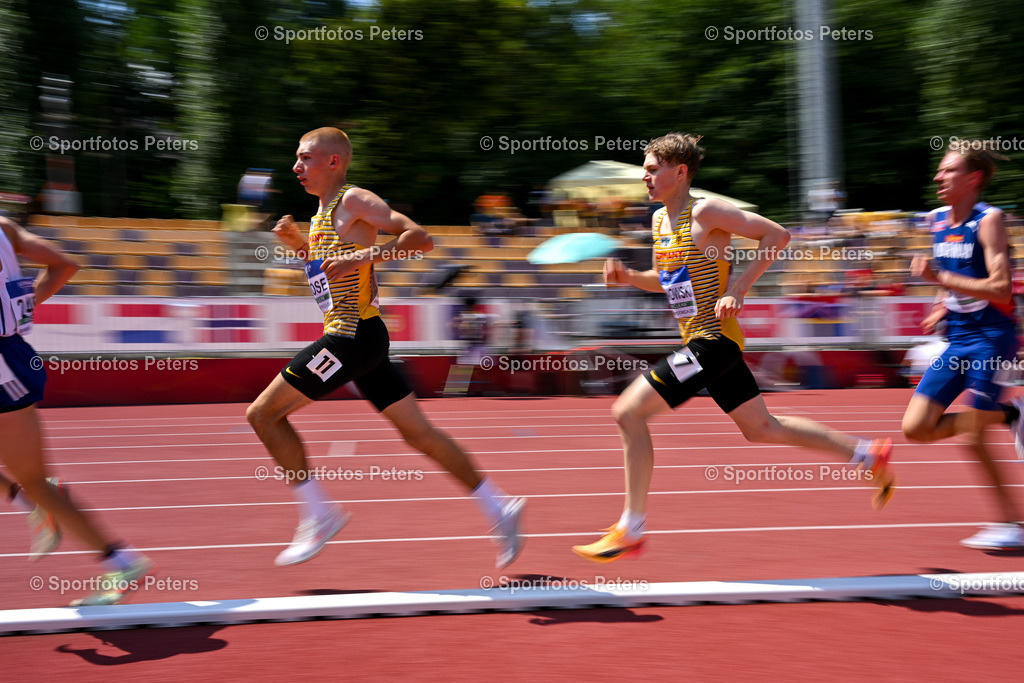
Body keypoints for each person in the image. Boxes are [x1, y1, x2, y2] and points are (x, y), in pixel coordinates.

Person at [572, 133, 895, 563]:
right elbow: (665, 281)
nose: (644, 177)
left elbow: (777, 235)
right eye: (644, 170)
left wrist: (738, 288)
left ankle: (631, 529)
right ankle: (866, 454)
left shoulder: (705, 211)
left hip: (713, 342)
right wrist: (630, 278)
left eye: (651, 169)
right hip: (703, 343)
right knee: (762, 428)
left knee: (628, 412)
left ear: (679, 171)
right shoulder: (660, 221)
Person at [247, 127, 524, 568]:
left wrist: (362, 256)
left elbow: (420, 238)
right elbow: (327, 275)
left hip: (350, 337)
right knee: (419, 434)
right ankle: (499, 506)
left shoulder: (353, 200)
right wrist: (299, 245)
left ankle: (319, 515)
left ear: (334, 161)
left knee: (263, 415)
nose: (296, 166)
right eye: (297, 158)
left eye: (305, 158)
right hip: (364, 338)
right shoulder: (320, 217)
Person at [0, 216, 153, 605]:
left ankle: (122, 562)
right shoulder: (5, 227)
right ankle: (37, 505)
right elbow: (65, 265)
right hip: (13, 353)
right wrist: (21, 309)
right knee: (36, 483)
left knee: (37, 482)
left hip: (3, 369)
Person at [902, 141, 1024, 550]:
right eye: (940, 170)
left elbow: (1001, 288)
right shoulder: (936, 220)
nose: (938, 177)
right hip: (958, 337)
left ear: (972, 178)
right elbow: (955, 271)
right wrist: (942, 302)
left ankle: (1011, 524)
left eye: (948, 170)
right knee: (916, 428)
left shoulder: (989, 220)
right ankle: (1010, 414)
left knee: (972, 437)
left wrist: (939, 280)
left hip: (993, 338)